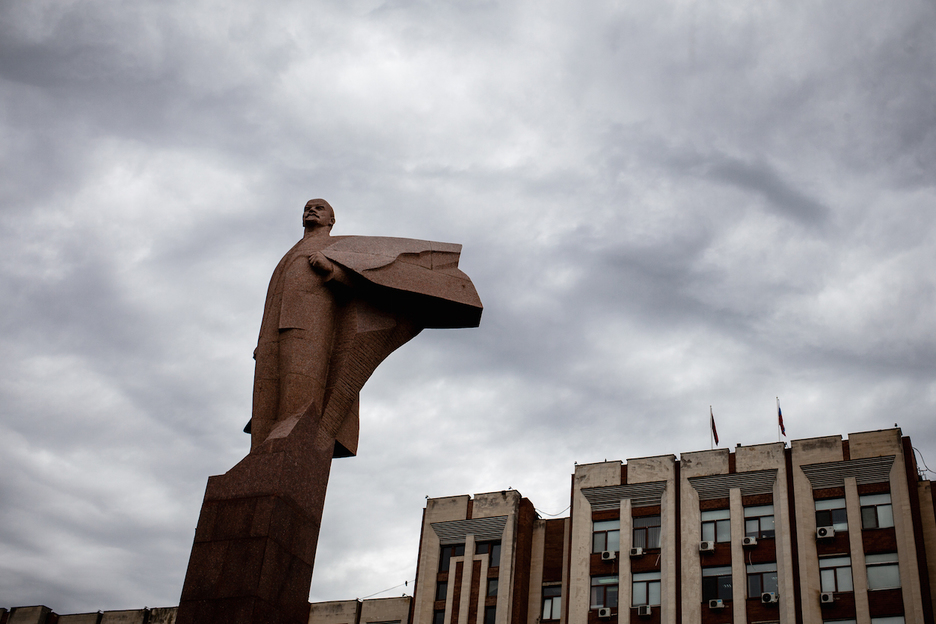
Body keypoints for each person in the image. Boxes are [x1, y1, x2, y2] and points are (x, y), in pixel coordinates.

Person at [249, 198, 482, 456]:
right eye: (307, 208)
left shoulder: (340, 245)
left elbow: (366, 278)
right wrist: (263, 341)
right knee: (266, 397)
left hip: (310, 325)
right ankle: (262, 451)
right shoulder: (290, 253)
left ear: (331, 221)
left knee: (300, 388)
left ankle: (291, 445)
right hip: (274, 329)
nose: (311, 210)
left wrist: (332, 270)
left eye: (319, 208)